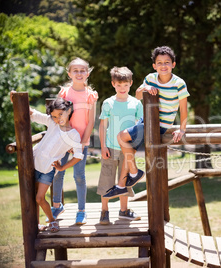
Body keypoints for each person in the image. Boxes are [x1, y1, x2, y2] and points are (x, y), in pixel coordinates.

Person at [103, 46, 189, 199]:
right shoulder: (150, 78)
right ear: (154, 66)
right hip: (145, 120)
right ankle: (121, 186)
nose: (163, 66)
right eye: (160, 63)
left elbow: (183, 109)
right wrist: (146, 88)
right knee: (129, 151)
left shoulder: (179, 83)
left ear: (173, 64)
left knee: (122, 137)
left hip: (159, 126)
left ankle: (135, 173)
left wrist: (182, 129)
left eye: (167, 62)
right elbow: (137, 95)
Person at [10, 94, 83, 232]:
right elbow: (33, 113)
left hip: (48, 169)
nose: (58, 119)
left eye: (60, 115)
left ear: (69, 111)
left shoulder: (74, 134)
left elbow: (78, 156)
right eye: (54, 116)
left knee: (39, 198)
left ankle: (52, 221)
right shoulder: (52, 123)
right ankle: (37, 224)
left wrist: (62, 167)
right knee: (31, 197)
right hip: (33, 164)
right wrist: (15, 99)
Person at [50, 57, 98, 225]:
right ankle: (57, 206)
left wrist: (79, 143)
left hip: (81, 142)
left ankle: (82, 211)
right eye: (75, 70)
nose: (79, 73)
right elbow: (58, 117)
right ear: (69, 73)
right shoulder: (63, 93)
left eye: (82, 70)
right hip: (62, 140)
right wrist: (67, 140)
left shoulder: (91, 96)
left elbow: (91, 122)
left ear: (88, 73)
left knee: (79, 176)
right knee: (57, 172)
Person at [97, 67, 143, 224]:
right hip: (110, 148)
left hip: (127, 149)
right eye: (118, 85)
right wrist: (103, 146)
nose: (122, 88)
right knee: (106, 179)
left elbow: (140, 126)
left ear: (131, 83)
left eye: (125, 85)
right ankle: (104, 212)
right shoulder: (108, 103)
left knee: (125, 181)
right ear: (113, 84)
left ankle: (124, 211)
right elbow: (102, 126)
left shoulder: (136, 103)